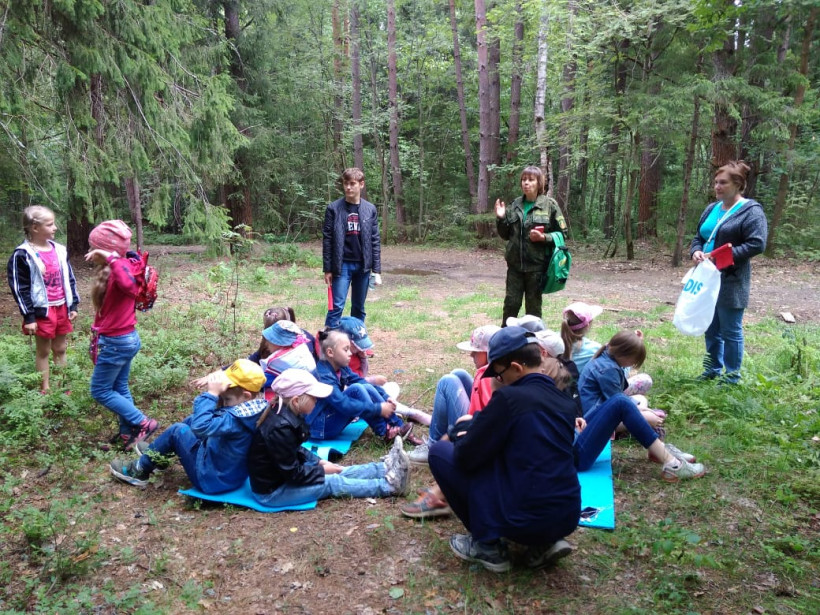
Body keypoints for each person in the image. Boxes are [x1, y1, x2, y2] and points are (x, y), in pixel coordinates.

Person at [428, 327, 581, 573]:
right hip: (566, 516)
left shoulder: (509, 399)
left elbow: (467, 457)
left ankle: (487, 544)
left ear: (516, 369)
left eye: (499, 375)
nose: (497, 381)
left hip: (520, 519)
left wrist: (461, 434)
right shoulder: (564, 402)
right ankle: (543, 544)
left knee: (439, 452)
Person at [248, 369, 410, 507]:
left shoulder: (288, 413)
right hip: (273, 492)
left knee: (337, 469)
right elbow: (293, 474)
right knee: (332, 482)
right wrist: (321, 470)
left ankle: (382, 468)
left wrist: (317, 461)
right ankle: (388, 487)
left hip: (285, 477)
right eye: (313, 397)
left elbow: (294, 449)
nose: (317, 400)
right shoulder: (280, 428)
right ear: (297, 401)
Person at [109, 359, 268, 491]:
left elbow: (201, 426)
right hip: (228, 473)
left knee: (177, 431)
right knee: (192, 420)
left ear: (246, 396)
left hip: (212, 478)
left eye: (227, 400)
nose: (224, 403)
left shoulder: (235, 420)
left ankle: (138, 470)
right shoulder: (257, 409)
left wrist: (211, 395)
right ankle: (158, 455)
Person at [690, 161, 768, 384]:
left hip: (731, 279)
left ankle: (732, 376)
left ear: (738, 184)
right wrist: (696, 251)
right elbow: (699, 237)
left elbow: (757, 244)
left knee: (730, 330)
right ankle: (712, 369)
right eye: (716, 182)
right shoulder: (711, 209)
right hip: (706, 278)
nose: (717, 187)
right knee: (711, 327)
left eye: (723, 183)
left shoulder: (751, 211)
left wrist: (719, 257)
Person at [85, 220, 159, 450]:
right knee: (119, 386)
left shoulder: (121, 268)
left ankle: (143, 422)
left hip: (117, 341)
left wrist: (110, 257)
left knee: (100, 390)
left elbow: (129, 286)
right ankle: (129, 433)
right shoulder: (120, 266)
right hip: (124, 339)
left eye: (93, 249)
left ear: (106, 251)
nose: (90, 253)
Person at [7, 206, 79, 392]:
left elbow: (69, 278)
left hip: (62, 307)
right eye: (50, 224)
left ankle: (62, 386)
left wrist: (73, 305)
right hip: (42, 310)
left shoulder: (60, 250)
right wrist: (29, 317)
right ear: (35, 228)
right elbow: (20, 288)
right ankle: (45, 388)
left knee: (61, 347)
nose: (55, 227)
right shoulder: (22, 255)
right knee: (44, 350)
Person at [406, 324, 500, 467]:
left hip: (476, 436)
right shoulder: (499, 369)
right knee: (458, 373)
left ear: (488, 353)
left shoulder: (488, 377)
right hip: (480, 426)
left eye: (476, 351)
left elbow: (490, 418)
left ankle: (433, 446)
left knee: (447, 382)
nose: (471, 355)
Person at [306, 330, 419, 444]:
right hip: (321, 428)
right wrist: (378, 409)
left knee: (364, 387)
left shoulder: (340, 366)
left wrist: (386, 397)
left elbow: (362, 381)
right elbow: (343, 404)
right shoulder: (324, 377)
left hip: (329, 416)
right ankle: (385, 432)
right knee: (356, 389)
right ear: (330, 352)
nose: (350, 353)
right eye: (346, 349)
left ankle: (398, 425)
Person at [495, 166, 567, 325]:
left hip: (536, 267)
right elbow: (505, 235)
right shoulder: (515, 205)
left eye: (531, 180)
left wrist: (544, 237)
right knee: (511, 305)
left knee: (533, 310)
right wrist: (501, 218)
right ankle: (506, 340)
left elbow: (563, 234)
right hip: (515, 266)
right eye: (524, 179)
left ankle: (533, 343)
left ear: (539, 183)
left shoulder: (550, 205)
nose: (526, 183)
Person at [336, 316, 431, 426]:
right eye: (356, 346)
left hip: (362, 390)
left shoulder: (356, 354)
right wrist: (372, 380)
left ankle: (394, 411)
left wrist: (363, 358)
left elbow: (360, 376)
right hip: (350, 398)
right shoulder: (339, 359)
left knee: (392, 387)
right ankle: (410, 414)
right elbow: (351, 385)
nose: (359, 349)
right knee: (366, 391)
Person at [323, 167, 382, 329]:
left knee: (358, 308)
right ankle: (328, 343)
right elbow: (327, 240)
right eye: (345, 184)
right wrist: (328, 269)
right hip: (341, 266)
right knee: (336, 307)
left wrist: (376, 270)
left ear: (361, 185)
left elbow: (374, 240)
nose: (348, 187)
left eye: (352, 184)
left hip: (363, 266)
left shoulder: (370, 209)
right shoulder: (333, 209)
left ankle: (357, 341)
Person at [258, 320, 316, 399]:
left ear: (278, 343)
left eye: (269, 341)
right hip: (311, 386)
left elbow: (262, 380)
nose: (266, 344)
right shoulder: (298, 347)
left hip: (298, 397)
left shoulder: (281, 361)